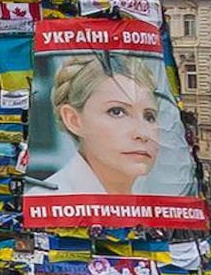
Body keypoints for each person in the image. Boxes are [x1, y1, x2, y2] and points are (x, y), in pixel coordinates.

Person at [29, 53, 172, 197]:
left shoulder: (162, 202)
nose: (142, 133)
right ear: (73, 119)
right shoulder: (45, 201)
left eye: (149, 116)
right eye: (117, 112)